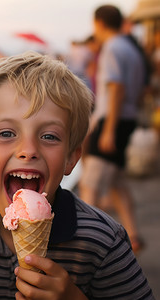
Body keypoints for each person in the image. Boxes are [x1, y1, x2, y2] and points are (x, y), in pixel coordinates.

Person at [0, 52, 154, 299]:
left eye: (49, 136)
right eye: (6, 133)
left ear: (71, 157)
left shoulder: (102, 241)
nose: (28, 150)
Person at [79, 5, 146, 254]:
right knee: (117, 182)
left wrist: (108, 129)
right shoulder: (131, 47)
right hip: (126, 119)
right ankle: (135, 236)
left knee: (90, 185)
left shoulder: (113, 47)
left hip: (112, 122)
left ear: (99, 23)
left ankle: (83, 248)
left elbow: (116, 87)